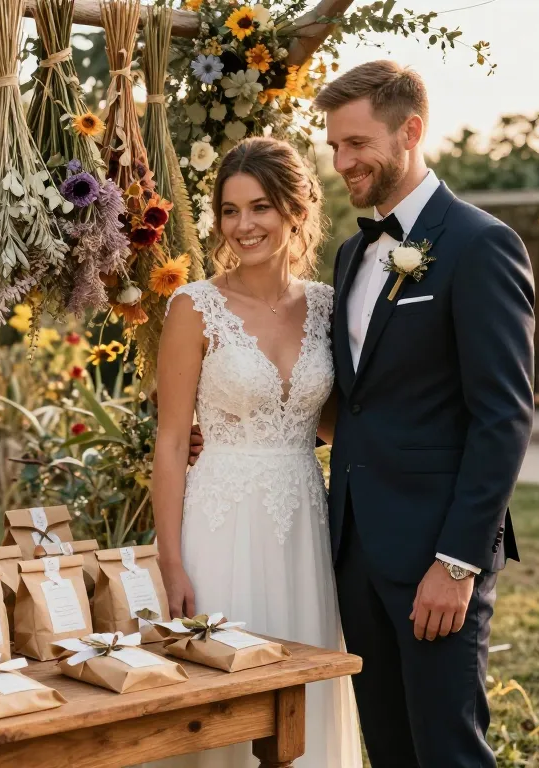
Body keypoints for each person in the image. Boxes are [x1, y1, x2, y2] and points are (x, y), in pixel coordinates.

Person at [188, 61, 535, 767]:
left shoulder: (479, 245)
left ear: (411, 131)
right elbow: (358, 402)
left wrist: (458, 563)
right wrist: (243, 428)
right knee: (389, 747)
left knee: (448, 750)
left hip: (436, 557)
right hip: (349, 554)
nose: (341, 162)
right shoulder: (352, 257)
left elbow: (503, 417)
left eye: (356, 144)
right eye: (335, 146)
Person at [152, 136, 361, 767]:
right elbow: (168, 441)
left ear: (295, 210)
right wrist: (171, 562)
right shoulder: (194, 307)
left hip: (304, 523)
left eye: (261, 207)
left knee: (302, 684)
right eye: (230, 210)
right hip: (220, 523)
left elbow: (330, 422)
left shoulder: (327, 305)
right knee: (220, 694)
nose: (244, 225)